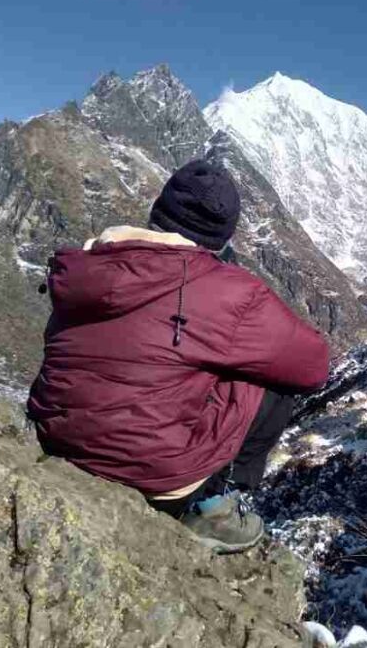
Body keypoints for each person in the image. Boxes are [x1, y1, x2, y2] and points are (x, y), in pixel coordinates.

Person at [27, 159, 330, 552]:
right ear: (223, 234)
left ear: (158, 211)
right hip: (153, 470)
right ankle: (211, 507)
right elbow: (313, 367)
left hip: (55, 437)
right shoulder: (231, 293)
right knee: (272, 377)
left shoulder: (83, 265)